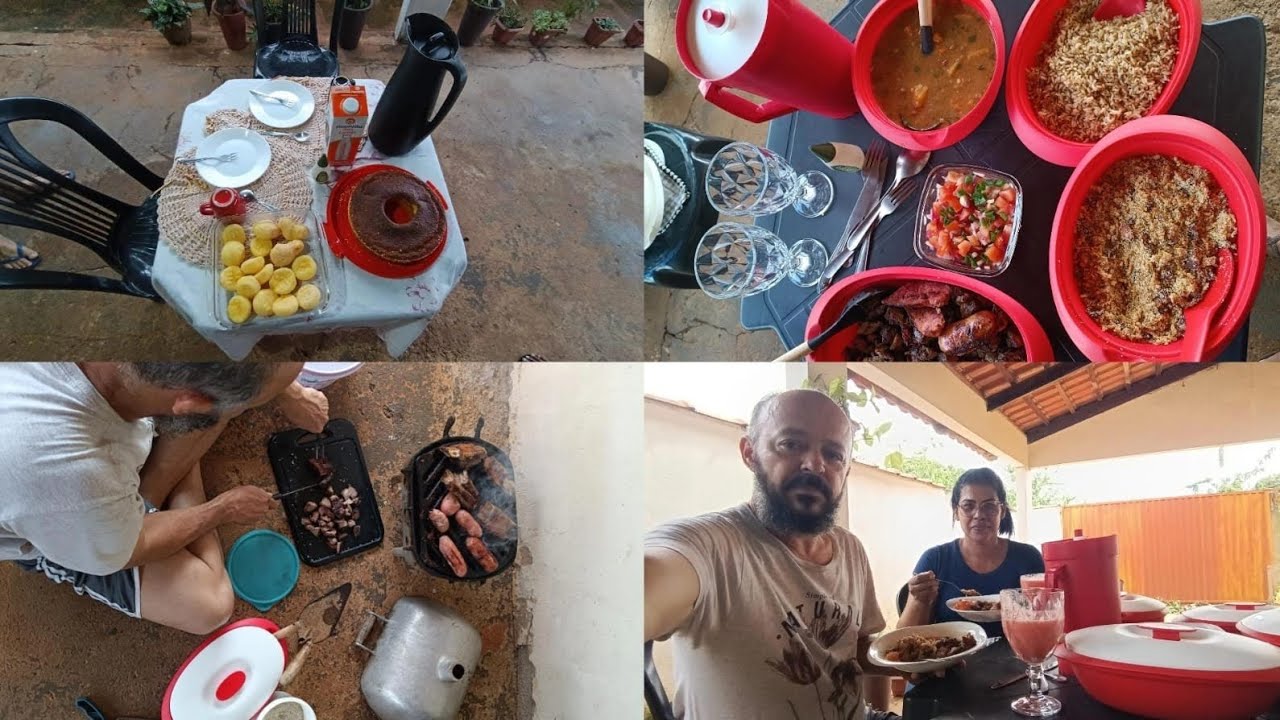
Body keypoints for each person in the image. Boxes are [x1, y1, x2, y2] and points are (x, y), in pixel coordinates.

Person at [0, 363, 330, 635]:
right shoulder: (73, 479)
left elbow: (236, 355)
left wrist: (290, 392)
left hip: (85, 483)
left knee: (224, 405)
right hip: (66, 525)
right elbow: (135, 547)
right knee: (210, 606)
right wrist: (222, 509)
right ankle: (149, 501)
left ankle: (148, 497)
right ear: (189, 403)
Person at [645, 389, 904, 720]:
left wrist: (910, 665)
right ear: (749, 453)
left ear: (846, 471)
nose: (814, 464)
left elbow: (861, 651)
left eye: (834, 454)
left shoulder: (851, 549)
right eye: (791, 445)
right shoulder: (707, 545)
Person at [898, 468, 1044, 637]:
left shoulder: (1028, 558)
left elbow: (1046, 618)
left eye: (989, 506)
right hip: (954, 661)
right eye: (968, 506)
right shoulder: (935, 559)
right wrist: (919, 600)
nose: (979, 515)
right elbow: (903, 638)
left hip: (1020, 659)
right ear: (956, 511)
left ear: (1002, 511)